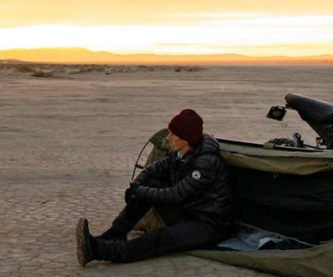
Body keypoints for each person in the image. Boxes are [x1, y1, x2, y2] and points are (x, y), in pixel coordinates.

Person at [76, 109, 233, 266]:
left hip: (208, 224)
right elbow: (155, 168)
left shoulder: (206, 163)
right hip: (187, 211)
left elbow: (175, 195)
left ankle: (99, 251)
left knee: (159, 239)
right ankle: (115, 234)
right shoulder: (180, 153)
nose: (167, 137)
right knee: (149, 183)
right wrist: (136, 185)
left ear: (185, 139)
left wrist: (139, 191)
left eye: (172, 134)